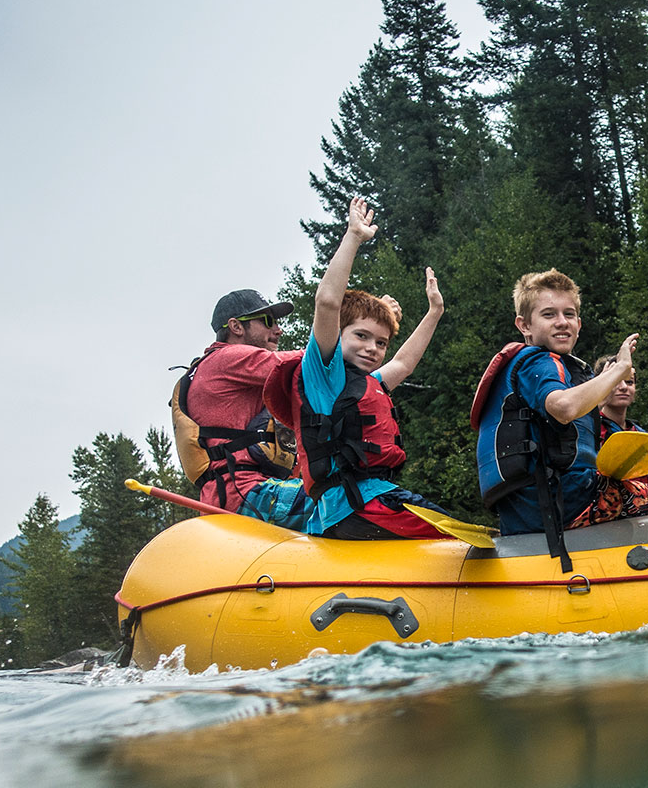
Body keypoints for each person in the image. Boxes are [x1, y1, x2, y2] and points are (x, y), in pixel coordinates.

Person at [472, 269, 648, 567]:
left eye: (569, 314)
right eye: (549, 314)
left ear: (579, 323)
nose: (562, 322)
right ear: (524, 325)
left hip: (524, 511)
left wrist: (602, 383)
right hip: (565, 502)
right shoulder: (539, 362)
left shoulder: (540, 367)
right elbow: (563, 407)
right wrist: (620, 369)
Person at [262, 197, 453, 540]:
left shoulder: (367, 383)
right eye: (361, 336)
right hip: (353, 506)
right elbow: (327, 302)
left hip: (370, 501)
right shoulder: (324, 371)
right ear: (338, 334)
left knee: (459, 531)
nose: (372, 348)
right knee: (460, 538)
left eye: (381, 342)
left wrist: (434, 313)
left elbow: (404, 364)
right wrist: (354, 236)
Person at [171, 289, 313, 528]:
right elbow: (313, 362)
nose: (278, 330)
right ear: (236, 326)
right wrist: (362, 338)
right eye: (267, 321)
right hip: (246, 493)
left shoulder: (220, 368)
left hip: (232, 496)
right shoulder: (228, 358)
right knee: (347, 500)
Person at [591, 353, 642, 442]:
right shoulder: (589, 428)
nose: (624, 387)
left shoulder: (640, 433)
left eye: (629, 382)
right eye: (615, 381)